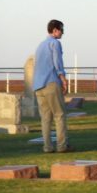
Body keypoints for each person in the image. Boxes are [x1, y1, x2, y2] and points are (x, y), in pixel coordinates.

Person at [33, 19, 72, 153]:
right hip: (50, 82)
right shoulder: (55, 43)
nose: (63, 33)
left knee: (45, 118)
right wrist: (63, 79)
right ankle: (62, 146)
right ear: (55, 30)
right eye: (62, 30)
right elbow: (57, 62)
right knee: (59, 115)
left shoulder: (40, 45)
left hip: (38, 85)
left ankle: (47, 147)